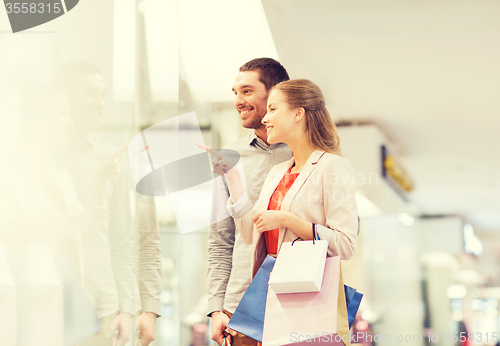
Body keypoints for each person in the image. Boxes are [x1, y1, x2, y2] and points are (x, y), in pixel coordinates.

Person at [54, 60, 162, 346]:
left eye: (103, 94)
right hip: (48, 299)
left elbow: (122, 240)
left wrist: (126, 308)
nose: (100, 103)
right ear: (65, 95)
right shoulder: (37, 159)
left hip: (100, 308)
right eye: (91, 93)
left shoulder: (111, 158)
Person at [217, 78, 358, 288]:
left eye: (272, 109)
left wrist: (287, 220)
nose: (265, 118)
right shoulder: (277, 172)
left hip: (309, 296)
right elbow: (249, 233)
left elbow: (345, 245)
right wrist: (234, 179)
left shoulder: (333, 166)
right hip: (270, 290)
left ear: (298, 113)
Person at [206, 58, 292, 346]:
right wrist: (217, 306)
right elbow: (221, 238)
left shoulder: (311, 154)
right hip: (240, 307)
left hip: (299, 301)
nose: (238, 101)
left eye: (247, 91)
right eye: (235, 93)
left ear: (276, 93)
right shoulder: (228, 158)